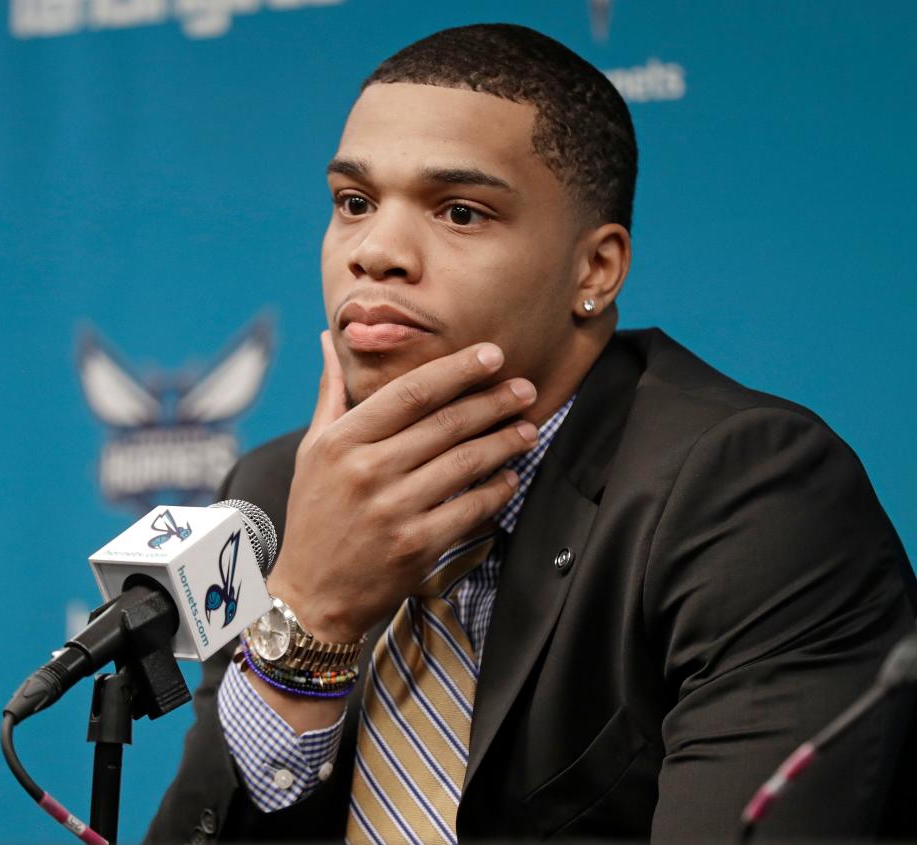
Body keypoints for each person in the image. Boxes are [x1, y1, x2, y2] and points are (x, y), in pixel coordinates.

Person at [147, 23, 917, 844]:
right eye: (354, 203)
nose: (375, 253)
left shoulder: (747, 493)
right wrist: (313, 618)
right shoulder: (278, 490)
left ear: (596, 270)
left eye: (461, 211)